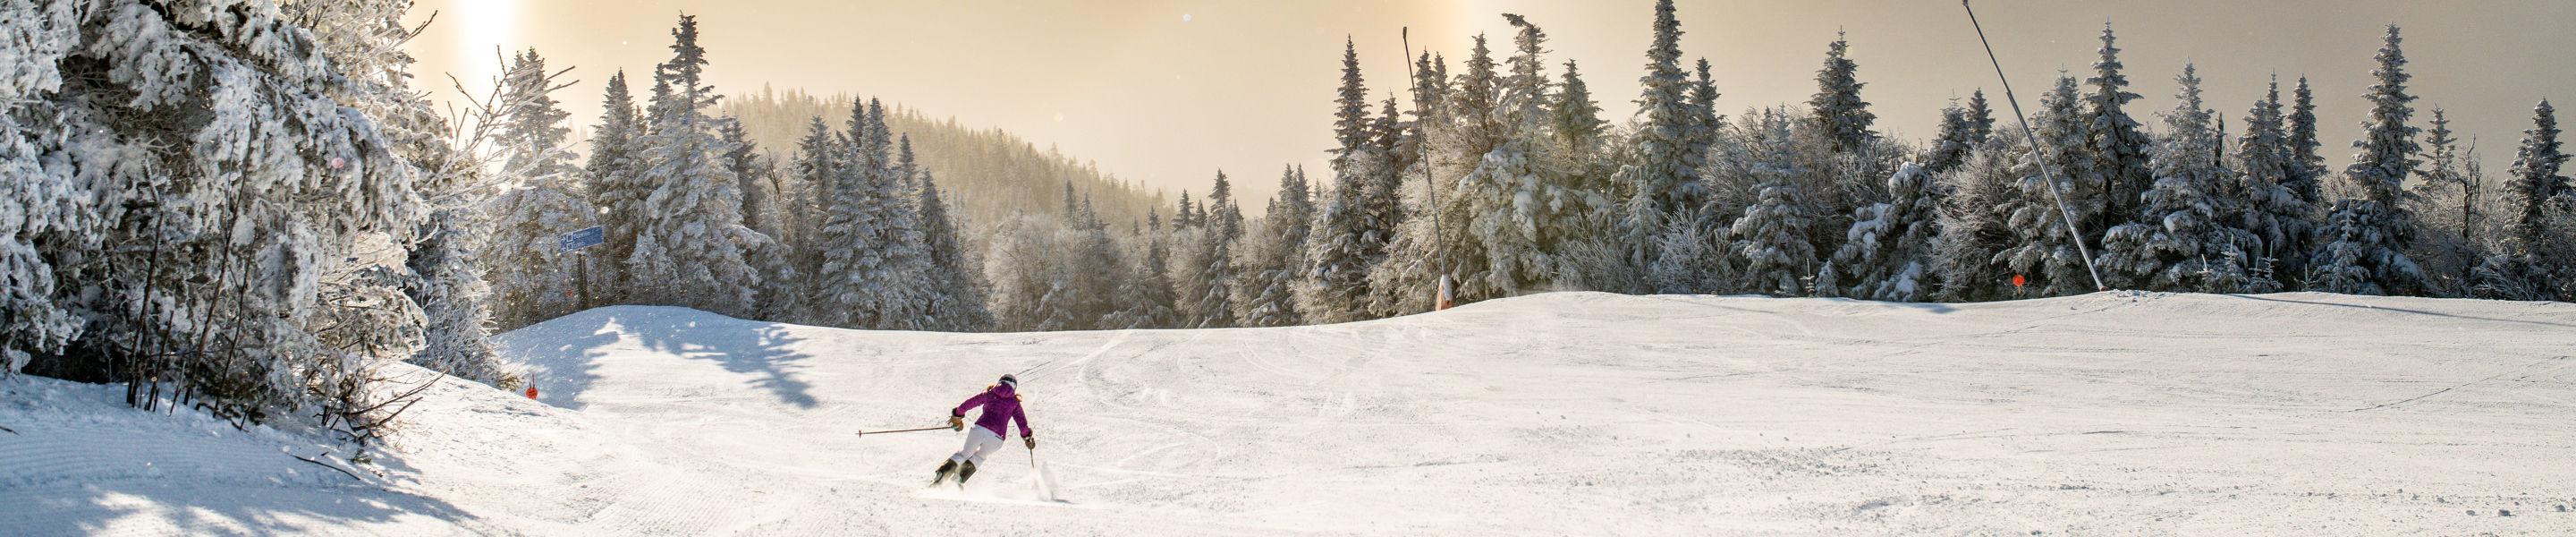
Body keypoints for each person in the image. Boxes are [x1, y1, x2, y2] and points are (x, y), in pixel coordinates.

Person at [932, 374, 1034, 486]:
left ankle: (942, 474)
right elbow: (1022, 425)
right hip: (997, 438)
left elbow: (969, 403)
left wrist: (958, 414)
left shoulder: (989, 395)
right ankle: (958, 479)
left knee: (964, 454)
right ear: (1014, 387)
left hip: (979, 429)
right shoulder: (1014, 403)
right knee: (980, 457)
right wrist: (1027, 438)